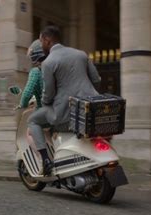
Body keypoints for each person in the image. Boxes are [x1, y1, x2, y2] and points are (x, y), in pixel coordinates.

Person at [28, 25, 101, 176]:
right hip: (91, 109)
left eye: (41, 41)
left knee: (33, 121)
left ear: (47, 40)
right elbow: (96, 79)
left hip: (66, 114)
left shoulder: (49, 62)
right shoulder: (81, 54)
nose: (41, 45)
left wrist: (45, 103)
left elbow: (48, 94)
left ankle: (46, 160)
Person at [16, 40, 46, 109]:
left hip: (44, 111)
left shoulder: (36, 71)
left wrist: (23, 104)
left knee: (31, 119)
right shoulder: (55, 67)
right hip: (60, 110)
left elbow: (27, 93)